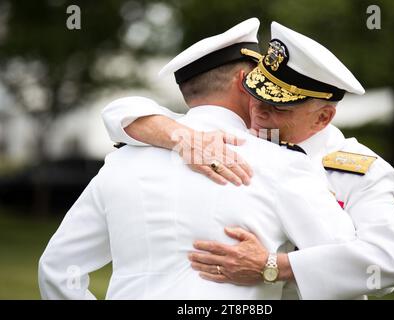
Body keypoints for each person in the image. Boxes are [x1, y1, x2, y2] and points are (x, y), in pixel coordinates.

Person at [38, 18, 357, 300]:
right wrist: (273, 268)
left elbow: (56, 268)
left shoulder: (121, 162)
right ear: (244, 84)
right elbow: (349, 266)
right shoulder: (283, 164)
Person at [101, 22, 394, 299]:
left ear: (323, 117)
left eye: (280, 108)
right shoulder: (232, 141)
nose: (259, 112)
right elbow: (121, 113)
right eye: (257, 95)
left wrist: (272, 266)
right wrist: (178, 135)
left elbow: (388, 259)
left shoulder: (357, 170)